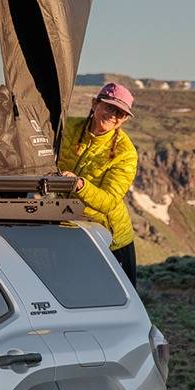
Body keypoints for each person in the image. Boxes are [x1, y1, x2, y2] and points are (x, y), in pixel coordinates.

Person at [59, 82, 140, 282]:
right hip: (69, 226)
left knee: (114, 306)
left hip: (111, 240)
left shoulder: (126, 153)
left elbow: (109, 201)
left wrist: (80, 186)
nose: (113, 115)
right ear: (95, 104)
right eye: (110, 107)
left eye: (120, 114)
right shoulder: (68, 128)